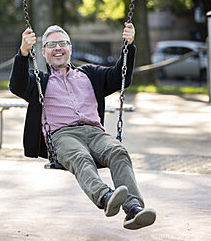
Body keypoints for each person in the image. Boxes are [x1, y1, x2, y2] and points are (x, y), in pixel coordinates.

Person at [9, 23, 156, 230]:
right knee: (80, 156)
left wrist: (128, 46)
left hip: (95, 132)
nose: (58, 48)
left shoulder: (89, 74)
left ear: (71, 48)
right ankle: (105, 197)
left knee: (118, 152)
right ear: (43, 51)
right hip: (63, 135)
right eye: (52, 44)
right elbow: (17, 85)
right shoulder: (40, 81)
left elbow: (120, 77)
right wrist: (23, 53)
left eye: (63, 43)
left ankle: (134, 208)